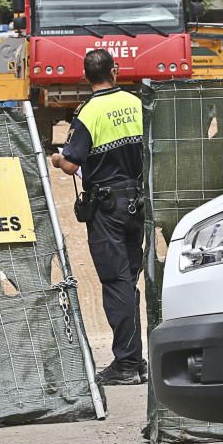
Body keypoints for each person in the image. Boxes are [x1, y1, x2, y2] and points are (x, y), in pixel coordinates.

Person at [51, 49, 147, 386]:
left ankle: (126, 364)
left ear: (86, 77)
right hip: (138, 202)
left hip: (108, 209)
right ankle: (136, 359)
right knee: (129, 279)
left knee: (115, 282)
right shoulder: (137, 104)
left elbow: (73, 164)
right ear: (115, 71)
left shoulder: (88, 113)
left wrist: (57, 161)